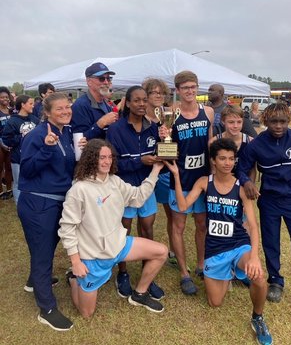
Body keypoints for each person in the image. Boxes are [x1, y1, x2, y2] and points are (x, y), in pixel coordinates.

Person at [165, 139, 272, 345]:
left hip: (239, 245)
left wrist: (255, 257)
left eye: (231, 159)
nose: (227, 163)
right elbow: (182, 204)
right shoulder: (204, 182)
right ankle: (231, 273)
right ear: (213, 160)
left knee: (258, 277)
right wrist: (177, 176)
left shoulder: (241, 187)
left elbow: (253, 225)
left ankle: (257, 317)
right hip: (214, 250)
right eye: (222, 158)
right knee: (215, 303)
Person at [58, 139, 168, 317]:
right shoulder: (79, 190)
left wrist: (155, 170)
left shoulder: (115, 181)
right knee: (86, 313)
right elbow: (67, 228)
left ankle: (139, 294)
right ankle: (73, 279)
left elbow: (138, 197)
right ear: (91, 159)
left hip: (119, 245)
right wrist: (76, 262)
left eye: (109, 157)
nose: (107, 161)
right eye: (101, 157)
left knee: (161, 252)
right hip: (94, 256)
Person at [237, 102, 291, 318]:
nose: (279, 126)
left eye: (283, 121)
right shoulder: (256, 145)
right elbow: (242, 168)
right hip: (269, 201)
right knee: (271, 243)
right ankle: (276, 282)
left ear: (289, 120)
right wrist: (246, 182)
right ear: (265, 121)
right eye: (274, 121)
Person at [17, 92, 86, 331]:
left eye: (68, 107)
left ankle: (34, 281)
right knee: (43, 252)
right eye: (60, 109)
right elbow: (26, 171)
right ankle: (46, 309)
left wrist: (81, 152)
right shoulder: (37, 135)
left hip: (58, 202)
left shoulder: (66, 132)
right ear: (46, 112)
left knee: (47, 246)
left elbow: (65, 167)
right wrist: (46, 149)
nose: (66, 111)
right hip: (38, 204)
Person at [107, 86, 165, 300]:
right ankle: (122, 273)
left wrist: (165, 143)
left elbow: (163, 155)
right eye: (137, 100)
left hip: (148, 187)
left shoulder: (154, 127)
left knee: (147, 230)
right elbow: (112, 164)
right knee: (123, 231)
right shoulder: (116, 129)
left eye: (144, 100)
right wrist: (138, 161)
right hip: (124, 189)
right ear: (128, 103)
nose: (141, 104)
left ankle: (147, 273)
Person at [167, 71, 214, 295]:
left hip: (203, 179)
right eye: (185, 87)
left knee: (202, 225)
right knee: (179, 225)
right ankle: (184, 273)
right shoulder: (170, 114)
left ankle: (201, 265)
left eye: (193, 86)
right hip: (181, 179)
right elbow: (165, 145)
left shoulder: (209, 113)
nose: (190, 91)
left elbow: (211, 144)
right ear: (178, 90)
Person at [142, 78, 176, 265]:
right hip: (145, 172)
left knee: (172, 212)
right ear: (145, 95)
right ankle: (148, 252)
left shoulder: (168, 115)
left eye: (161, 93)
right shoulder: (139, 116)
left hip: (164, 171)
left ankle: (173, 250)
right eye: (154, 92)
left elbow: (173, 143)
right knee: (147, 218)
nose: (158, 96)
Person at [2, 95, 39, 204]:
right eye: (31, 103)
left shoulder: (35, 119)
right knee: (18, 183)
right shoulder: (12, 121)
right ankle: (19, 205)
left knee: (34, 181)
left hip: (34, 157)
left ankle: (32, 203)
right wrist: (22, 136)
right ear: (23, 105)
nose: (33, 105)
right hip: (18, 158)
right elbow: (7, 140)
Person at [71, 62, 118, 139]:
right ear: (89, 81)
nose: (106, 82)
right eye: (101, 79)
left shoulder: (106, 104)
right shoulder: (80, 106)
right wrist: (100, 124)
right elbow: (79, 140)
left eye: (108, 78)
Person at [0, 86, 13, 200]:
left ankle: (9, 189)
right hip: (0, 143)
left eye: (6, 96)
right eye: (2, 97)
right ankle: (1, 191)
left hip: (10, 143)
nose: (5, 99)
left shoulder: (11, 110)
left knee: (9, 167)